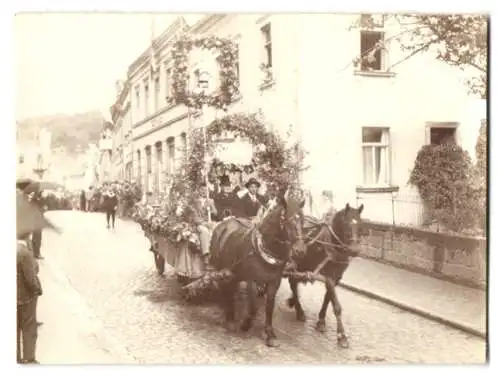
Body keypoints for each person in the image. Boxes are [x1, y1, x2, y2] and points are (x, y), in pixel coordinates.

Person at [17, 232, 43, 364]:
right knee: (28, 328)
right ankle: (29, 357)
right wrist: (36, 291)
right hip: (25, 298)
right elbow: (31, 277)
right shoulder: (24, 253)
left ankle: (15, 357)